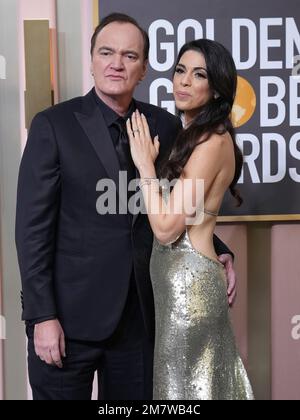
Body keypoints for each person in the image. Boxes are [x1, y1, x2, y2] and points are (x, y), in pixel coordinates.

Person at [15, 13, 236, 400]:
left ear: (144, 68)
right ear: (92, 60)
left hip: (140, 321)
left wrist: (218, 248)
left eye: (129, 56)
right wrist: (41, 316)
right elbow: (31, 230)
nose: (117, 64)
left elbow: (175, 204)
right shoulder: (54, 125)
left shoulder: (165, 125)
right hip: (68, 320)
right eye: (107, 52)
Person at [126, 39, 254, 400]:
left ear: (216, 90)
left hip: (189, 291)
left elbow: (167, 229)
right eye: (180, 70)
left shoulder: (212, 141)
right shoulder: (196, 137)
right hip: (179, 287)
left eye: (198, 75)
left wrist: (145, 166)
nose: (183, 81)